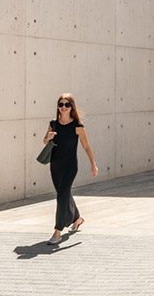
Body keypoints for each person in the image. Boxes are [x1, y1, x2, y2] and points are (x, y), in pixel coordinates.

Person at [42, 93, 98, 245]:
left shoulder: (77, 127)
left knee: (61, 197)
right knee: (64, 194)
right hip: (55, 165)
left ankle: (57, 231)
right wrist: (49, 137)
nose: (64, 107)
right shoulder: (53, 123)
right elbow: (44, 140)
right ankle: (77, 218)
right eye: (61, 104)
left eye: (67, 105)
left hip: (70, 166)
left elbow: (86, 146)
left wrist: (93, 164)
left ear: (71, 107)